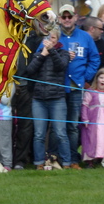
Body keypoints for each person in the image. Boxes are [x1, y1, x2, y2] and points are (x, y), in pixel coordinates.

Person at [52, 4, 100, 168]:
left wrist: (86, 77)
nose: (66, 19)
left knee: (72, 125)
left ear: (75, 17)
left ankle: (72, 159)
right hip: (57, 87)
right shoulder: (55, 36)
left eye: (69, 16)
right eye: (63, 17)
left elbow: (95, 59)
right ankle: (54, 157)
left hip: (76, 87)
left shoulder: (85, 37)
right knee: (57, 125)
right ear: (59, 18)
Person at [23, 27, 71, 170]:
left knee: (61, 132)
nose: (50, 41)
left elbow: (61, 66)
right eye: (48, 38)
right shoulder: (38, 54)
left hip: (57, 98)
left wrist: (52, 51)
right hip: (39, 98)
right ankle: (39, 163)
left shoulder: (64, 53)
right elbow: (30, 71)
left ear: (58, 39)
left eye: (53, 38)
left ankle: (67, 163)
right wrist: (42, 55)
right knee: (39, 134)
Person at [11, 31, 40, 170]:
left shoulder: (33, 38)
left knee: (26, 125)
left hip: (27, 86)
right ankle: (6, 159)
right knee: (5, 124)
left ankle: (20, 161)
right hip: (7, 85)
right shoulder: (5, 32)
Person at [80, 68, 104, 168]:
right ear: (97, 79)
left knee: (103, 138)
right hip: (92, 119)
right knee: (91, 138)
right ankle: (90, 160)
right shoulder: (90, 92)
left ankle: (101, 157)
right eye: (101, 78)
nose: (103, 80)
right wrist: (85, 118)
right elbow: (85, 105)